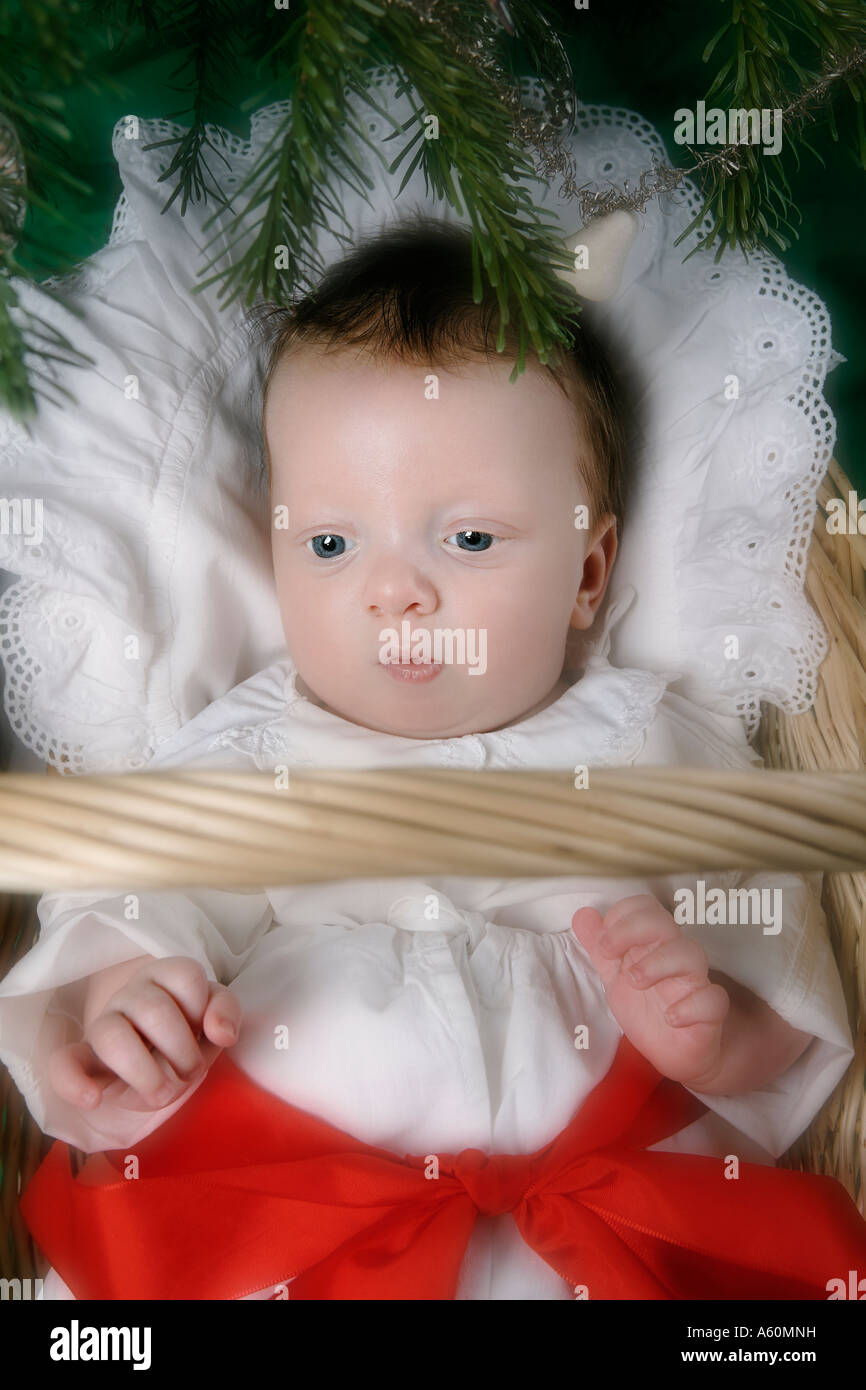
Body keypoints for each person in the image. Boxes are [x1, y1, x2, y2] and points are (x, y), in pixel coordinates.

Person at [0, 217, 858, 1299]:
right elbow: (136, 898)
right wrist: (133, 1004)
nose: (393, 590)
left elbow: (775, 958)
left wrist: (713, 1038)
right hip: (299, 1234)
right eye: (329, 543)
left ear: (588, 574)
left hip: (588, 1235)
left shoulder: (648, 741)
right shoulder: (249, 750)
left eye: (466, 538)